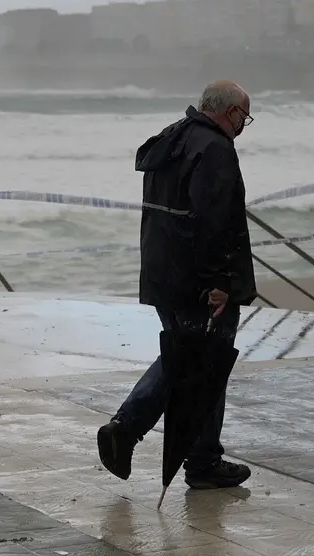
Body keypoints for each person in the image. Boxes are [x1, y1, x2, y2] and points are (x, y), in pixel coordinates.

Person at [97, 80, 257, 490]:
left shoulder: (172, 139)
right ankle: (127, 428)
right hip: (199, 284)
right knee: (198, 360)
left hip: (163, 275)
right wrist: (218, 282)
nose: (244, 126)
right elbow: (213, 222)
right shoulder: (214, 149)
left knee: (200, 362)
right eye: (245, 116)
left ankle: (202, 457)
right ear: (231, 112)